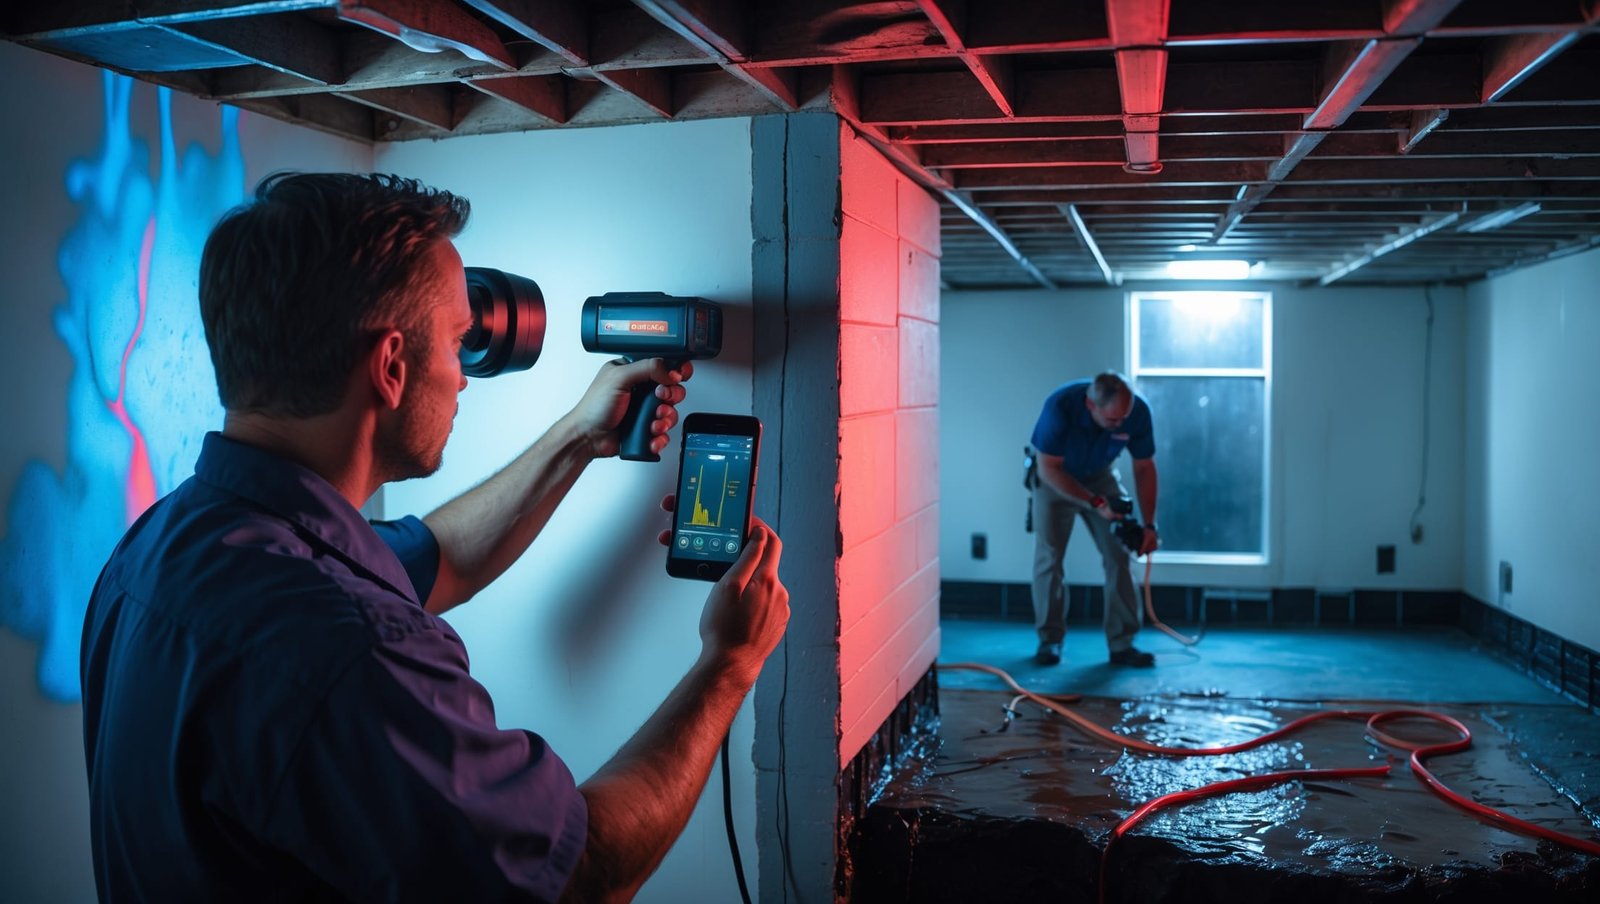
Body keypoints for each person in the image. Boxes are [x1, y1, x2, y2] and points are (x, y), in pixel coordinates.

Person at [80, 172, 790, 902]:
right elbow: (583, 875)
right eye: (458, 343)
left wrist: (576, 437)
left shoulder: (161, 549)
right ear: (391, 366)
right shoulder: (352, 650)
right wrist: (729, 663)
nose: (463, 378)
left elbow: (434, 558)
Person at [1028, 371, 1160, 667]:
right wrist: (1095, 502)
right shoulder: (1060, 407)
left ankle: (1122, 644)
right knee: (1050, 557)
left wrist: (1149, 525)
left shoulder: (1136, 412)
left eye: (1124, 418)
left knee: (1121, 554)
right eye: (1112, 421)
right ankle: (1050, 640)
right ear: (1091, 406)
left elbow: (1144, 467)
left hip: (1100, 475)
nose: (1120, 424)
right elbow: (1048, 467)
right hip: (1055, 479)